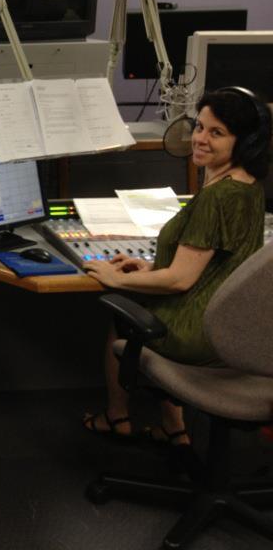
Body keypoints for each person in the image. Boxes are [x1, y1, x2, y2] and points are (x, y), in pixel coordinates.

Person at [82, 87, 271, 445]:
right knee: (145, 301)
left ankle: (117, 417)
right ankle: (173, 426)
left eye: (216, 133)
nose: (200, 138)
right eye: (199, 127)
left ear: (245, 142)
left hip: (200, 333)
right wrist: (147, 268)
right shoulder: (249, 186)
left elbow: (180, 280)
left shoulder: (217, 197)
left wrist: (114, 278)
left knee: (122, 316)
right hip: (233, 326)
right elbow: (215, 264)